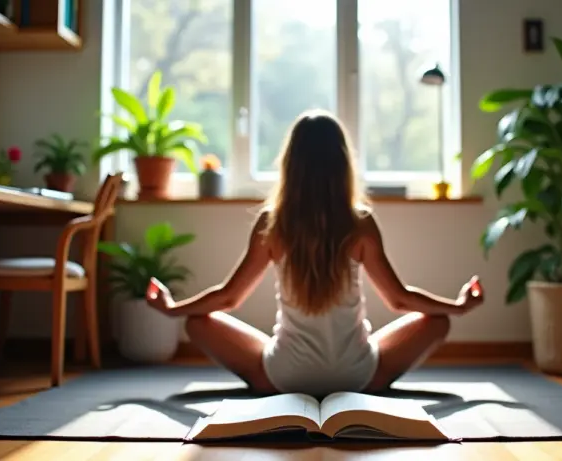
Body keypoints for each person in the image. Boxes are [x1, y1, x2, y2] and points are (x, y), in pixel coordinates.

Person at [146, 109, 484, 397]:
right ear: (342, 164)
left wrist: (174, 309)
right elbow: (400, 300)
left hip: (283, 378)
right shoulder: (360, 223)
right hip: (359, 376)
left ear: (290, 165)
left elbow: (228, 297)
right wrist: (457, 307)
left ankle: (285, 379)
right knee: (437, 322)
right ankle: (356, 380)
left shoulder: (272, 223)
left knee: (197, 323)